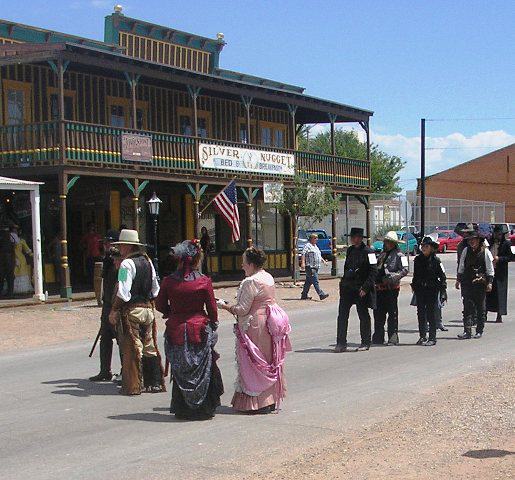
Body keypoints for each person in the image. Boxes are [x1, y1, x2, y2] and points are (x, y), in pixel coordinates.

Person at [156, 239, 223, 420]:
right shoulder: (203, 281)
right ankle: (203, 408)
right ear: (197, 259)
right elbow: (212, 309)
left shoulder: (169, 281)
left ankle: (183, 408)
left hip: (176, 330)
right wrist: (213, 322)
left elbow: (160, 305)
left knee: (181, 369)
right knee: (202, 368)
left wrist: (173, 312)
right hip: (198, 330)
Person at [220, 246, 291, 413]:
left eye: (244, 263)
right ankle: (270, 399)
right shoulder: (268, 277)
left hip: (254, 324)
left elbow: (242, 309)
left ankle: (258, 403)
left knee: (254, 362)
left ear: (251, 264)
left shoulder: (250, 281)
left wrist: (225, 306)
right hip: (269, 322)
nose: (242, 266)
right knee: (268, 359)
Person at [109, 229, 165, 395]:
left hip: (132, 310)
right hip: (147, 309)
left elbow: (123, 292)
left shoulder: (125, 265)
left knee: (133, 347)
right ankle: (154, 383)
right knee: (149, 345)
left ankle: (133, 385)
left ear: (126, 246)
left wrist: (114, 309)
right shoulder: (147, 261)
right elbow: (156, 289)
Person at [335, 227, 377, 352]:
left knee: (363, 315)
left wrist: (366, 287)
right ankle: (341, 343)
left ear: (360, 238)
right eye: (352, 237)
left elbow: (374, 271)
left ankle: (365, 342)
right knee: (342, 316)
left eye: (356, 237)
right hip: (348, 288)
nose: (354, 239)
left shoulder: (369, 252)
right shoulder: (350, 250)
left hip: (361, 288)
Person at [89, 230, 121, 382]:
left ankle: (124, 371)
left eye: (110, 243)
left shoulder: (122, 262)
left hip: (117, 305)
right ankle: (105, 370)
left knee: (122, 339)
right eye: (106, 243)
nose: (107, 245)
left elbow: (123, 284)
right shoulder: (108, 260)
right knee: (105, 338)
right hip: (107, 303)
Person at [456, 229, 494, 339]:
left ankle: (479, 330)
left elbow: (490, 269)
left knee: (480, 308)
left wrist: (489, 283)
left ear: (478, 240)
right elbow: (461, 266)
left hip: (480, 283)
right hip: (467, 282)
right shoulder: (465, 251)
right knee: (467, 307)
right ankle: (467, 331)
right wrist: (458, 280)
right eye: (470, 240)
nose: (472, 241)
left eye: (474, 239)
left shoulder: (485, 252)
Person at [372, 231, 408, 346]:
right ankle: (378, 336)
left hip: (391, 289)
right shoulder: (381, 255)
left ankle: (393, 337)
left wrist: (392, 277)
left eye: (390, 242)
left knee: (392, 313)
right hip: (379, 289)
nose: (388, 244)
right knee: (378, 314)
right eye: (386, 241)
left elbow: (405, 270)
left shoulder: (400, 255)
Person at [411, 234, 447, 346]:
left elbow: (442, 276)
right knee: (421, 313)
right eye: (423, 246)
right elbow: (415, 275)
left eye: (426, 246)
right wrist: (414, 286)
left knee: (431, 313)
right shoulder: (417, 259)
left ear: (431, 247)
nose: (424, 248)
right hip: (420, 290)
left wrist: (442, 290)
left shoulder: (436, 260)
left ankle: (432, 337)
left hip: (432, 290)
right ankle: (422, 336)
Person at [486, 225, 513, 323]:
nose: (498, 236)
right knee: (488, 292)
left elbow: (510, 257)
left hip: (500, 272)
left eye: (500, 234)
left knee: (499, 294)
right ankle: (484, 314)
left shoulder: (506, 244)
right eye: (496, 234)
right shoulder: (489, 243)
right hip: (489, 271)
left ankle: (499, 315)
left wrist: (499, 259)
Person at [300, 233, 329, 301]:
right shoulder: (307, 245)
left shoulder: (315, 246)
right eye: (315, 238)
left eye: (317, 238)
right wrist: (303, 263)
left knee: (308, 282)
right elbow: (303, 254)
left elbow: (318, 255)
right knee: (315, 281)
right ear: (311, 239)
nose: (317, 239)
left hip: (316, 266)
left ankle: (304, 295)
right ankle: (321, 294)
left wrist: (323, 261)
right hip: (310, 266)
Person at [11, 226, 34, 295]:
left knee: (21, 273)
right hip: (12, 257)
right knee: (13, 273)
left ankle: (22, 289)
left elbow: (27, 250)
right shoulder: (10, 240)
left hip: (21, 259)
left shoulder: (22, 241)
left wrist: (34, 256)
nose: (14, 232)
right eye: (13, 231)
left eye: (15, 231)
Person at [0, 223, 15, 298]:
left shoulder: (3, 235)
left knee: (2, 275)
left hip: (4, 257)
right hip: (10, 257)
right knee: (10, 275)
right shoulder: (11, 235)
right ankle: (10, 292)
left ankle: (4, 292)